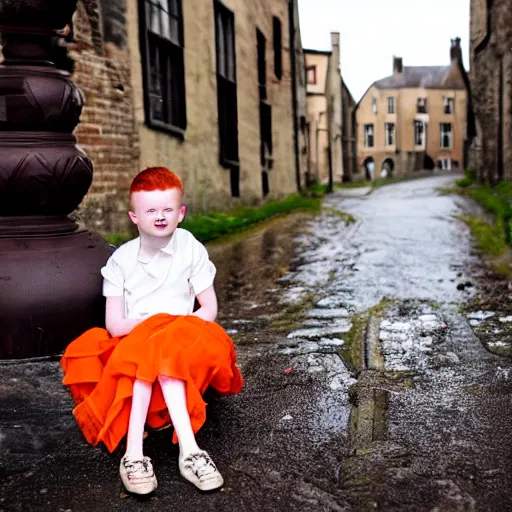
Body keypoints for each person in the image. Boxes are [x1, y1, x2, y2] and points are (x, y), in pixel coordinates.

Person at [61, 167, 243, 495]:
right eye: (150, 211)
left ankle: (172, 452)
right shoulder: (120, 262)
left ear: (181, 213)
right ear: (135, 216)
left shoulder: (190, 248)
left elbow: (209, 309)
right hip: (131, 344)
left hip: (186, 339)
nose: (160, 217)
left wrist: (171, 326)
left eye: (167, 210)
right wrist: (155, 326)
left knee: (165, 347)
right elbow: (115, 325)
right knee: (151, 348)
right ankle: (158, 452)